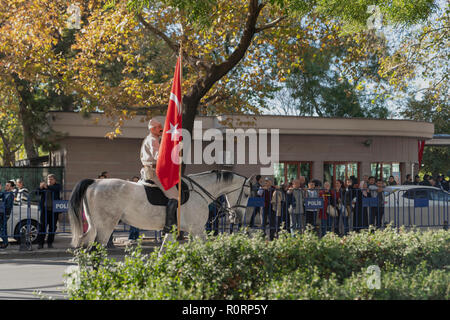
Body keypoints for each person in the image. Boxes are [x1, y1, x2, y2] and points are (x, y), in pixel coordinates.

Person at [140, 118, 179, 234]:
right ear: (152, 129)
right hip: (154, 172)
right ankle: (168, 226)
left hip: (151, 170)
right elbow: (158, 156)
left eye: (161, 126)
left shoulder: (154, 138)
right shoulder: (152, 140)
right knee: (175, 196)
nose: (161, 128)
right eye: (159, 127)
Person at [36, 174, 62, 249]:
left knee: (52, 228)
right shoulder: (44, 187)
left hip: (54, 211)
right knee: (42, 227)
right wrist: (40, 187)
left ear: (54, 180)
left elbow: (56, 189)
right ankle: (40, 244)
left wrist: (47, 187)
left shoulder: (57, 186)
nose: (49, 181)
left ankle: (50, 243)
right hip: (45, 210)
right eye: (48, 179)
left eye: (51, 179)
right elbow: (36, 192)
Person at [0, 182, 14, 248]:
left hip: (5, 214)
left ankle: (5, 242)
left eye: (7, 185)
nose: (6, 186)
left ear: (11, 187)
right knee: (3, 228)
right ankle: (5, 242)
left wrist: (1, 205)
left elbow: (8, 206)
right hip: (2, 213)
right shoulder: (4, 192)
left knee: (2, 228)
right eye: (5, 185)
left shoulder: (10, 194)